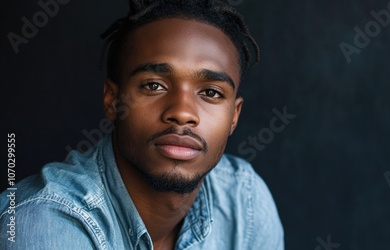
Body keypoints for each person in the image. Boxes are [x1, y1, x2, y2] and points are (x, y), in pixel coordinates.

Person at [0, 0, 284, 249]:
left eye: (211, 92)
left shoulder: (244, 200)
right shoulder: (42, 223)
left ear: (234, 116)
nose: (182, 112)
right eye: (154, 85)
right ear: (112, 100)